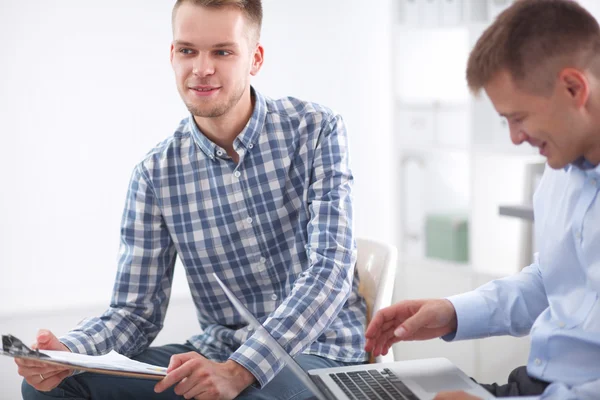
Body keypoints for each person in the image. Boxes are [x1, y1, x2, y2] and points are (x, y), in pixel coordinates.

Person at [16, 1, 368, 399]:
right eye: (188, 50)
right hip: (218, 352)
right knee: (50, 387)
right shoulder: (155, 174)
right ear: (172, 55)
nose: (202, 68)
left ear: (255, 59)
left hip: (320, 349)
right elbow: (135, 313)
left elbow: (330, 269)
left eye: (222, 51)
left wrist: (240, 370)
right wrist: (71, 353)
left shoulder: (317, 129)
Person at [365, 0, 600, 399]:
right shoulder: (559, 172)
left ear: (574, 88)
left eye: (519, 117)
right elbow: (551, 280)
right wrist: (453, 313)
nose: (514, 137)